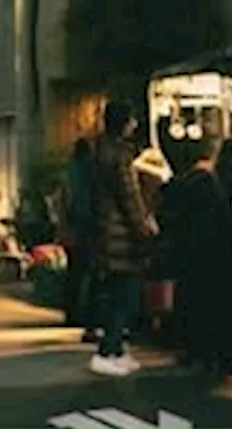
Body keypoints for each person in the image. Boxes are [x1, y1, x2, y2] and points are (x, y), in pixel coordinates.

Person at [89, 101, 157, 376]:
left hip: (105, 234)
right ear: (124, 123)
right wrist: (144, 228)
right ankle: (107, 351)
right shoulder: (120, 156)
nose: (135, 124)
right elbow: (130, 197)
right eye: (132, 120)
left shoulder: (99, 152)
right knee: (125, 297)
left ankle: (116, 350)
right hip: (121, 238)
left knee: (117, 295)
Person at [170, 138, 232, 377]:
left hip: (194, 254)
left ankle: (196, 351)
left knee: (197, 304)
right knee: (222, 307)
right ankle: (223, 356)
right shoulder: (229, 183)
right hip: (221, 254)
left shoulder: (186, 184)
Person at [64, 137, 99, 342]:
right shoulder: (88, 170)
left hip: (72, 230)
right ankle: (86, 318)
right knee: (89, 274)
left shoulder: (71, 170)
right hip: (86, 228)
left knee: (74, 274)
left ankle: (71, 313)